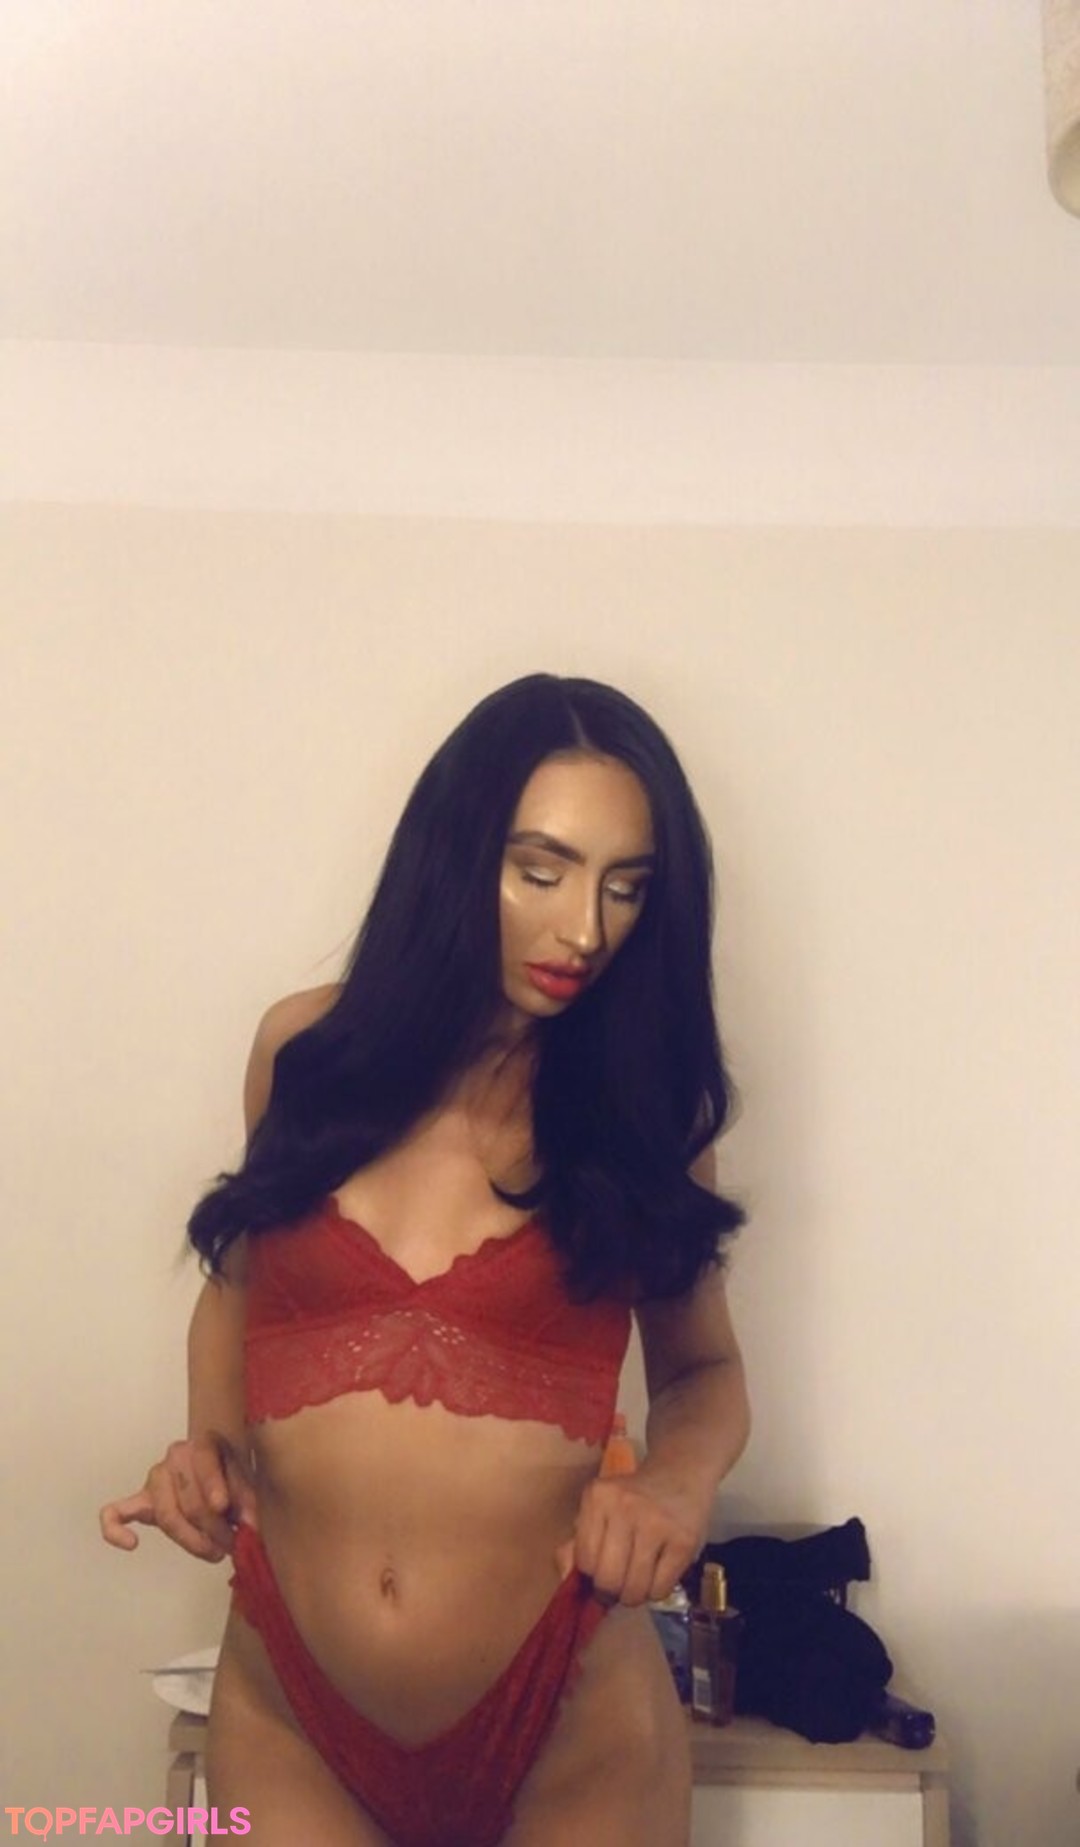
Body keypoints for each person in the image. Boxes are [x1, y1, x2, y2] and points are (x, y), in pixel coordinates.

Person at [100, 672, 751, 1847]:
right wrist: (211, 1453)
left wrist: (675, 1486)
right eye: (541, 870)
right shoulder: (304, 1051)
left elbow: (704, 1373)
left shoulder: (648, 1116)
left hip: (570, 1719)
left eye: (625, 886)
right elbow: (238, 1285)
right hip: (291, 1712)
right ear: (455, 856)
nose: (585, 929)